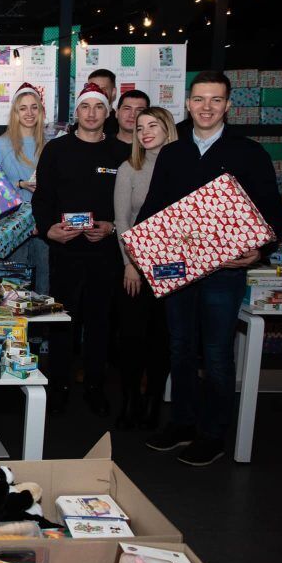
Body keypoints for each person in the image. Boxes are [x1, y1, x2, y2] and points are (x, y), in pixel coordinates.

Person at [139, 71, 282, 466]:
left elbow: (271, 213)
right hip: (179, 272)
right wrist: (144, 250)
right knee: (181, 349)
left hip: (225, 272)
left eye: (215, 100)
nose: (206, 107)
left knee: (217, 354)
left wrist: (258, 250)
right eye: (199, 99)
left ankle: (213, 432)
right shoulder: (173, 153)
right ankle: (182, 423)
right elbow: (154, 209)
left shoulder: (249, 153)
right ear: (187, 103)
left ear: (228, 105)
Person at [31, 82, 129, 417]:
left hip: (105, 254)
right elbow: (41, 198)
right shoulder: (57, 150)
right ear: (76, 112)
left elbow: (130, 205)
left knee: (100, 322)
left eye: (98, 107)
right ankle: (57, 386)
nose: (91, 114)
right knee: (62, 322)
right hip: (66, 251)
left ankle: (95, 386)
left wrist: (112, 225)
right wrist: (48, 230)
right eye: (85, 107)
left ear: (108, 113)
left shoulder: (120, 153)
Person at [113, 107, 178, 431]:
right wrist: (130, 265)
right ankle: (130, 401)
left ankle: (154, 402)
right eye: (140, 128)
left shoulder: (183, 167)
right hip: (136, 268)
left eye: (153, 125)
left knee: (161, 340)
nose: (146, 132)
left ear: (168, 128)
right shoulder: (130, 168)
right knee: (132, 338)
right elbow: (123, 221)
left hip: (174, 269)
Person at [0, 83, 49, 293]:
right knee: (13, 291)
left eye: (34, 107)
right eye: (23, 108)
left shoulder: (51, 144)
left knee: (44, 290)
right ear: (15, 112)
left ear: (41, 111)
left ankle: (43, 328)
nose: (29, 113)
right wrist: (20, 184)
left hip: (43, 228)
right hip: (12, 229)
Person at [87, 68, 119, 137]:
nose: (97, 93)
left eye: (102, 89)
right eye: (92, 89)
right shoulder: (78, 126)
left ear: (113, 92)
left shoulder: (121, 127)